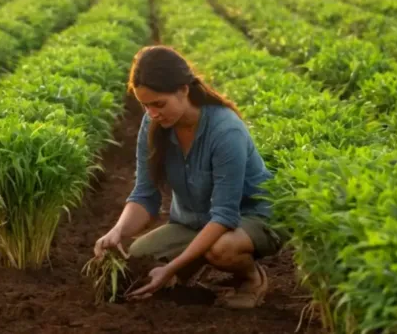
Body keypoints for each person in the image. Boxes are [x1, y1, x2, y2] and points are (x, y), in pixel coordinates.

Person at [93, 45, 286, 310]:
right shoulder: (153, 124)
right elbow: (144, 195)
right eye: (145, 106)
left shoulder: (225, 131)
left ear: (184, 90)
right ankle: (194, 270)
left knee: (222, 249)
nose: (152, 114)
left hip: (251, 218)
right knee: (138, 259)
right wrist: (118, 231)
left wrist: (171, 268)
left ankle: (251, 279)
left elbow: (225, 216)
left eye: (159, 104)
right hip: (196, 221)